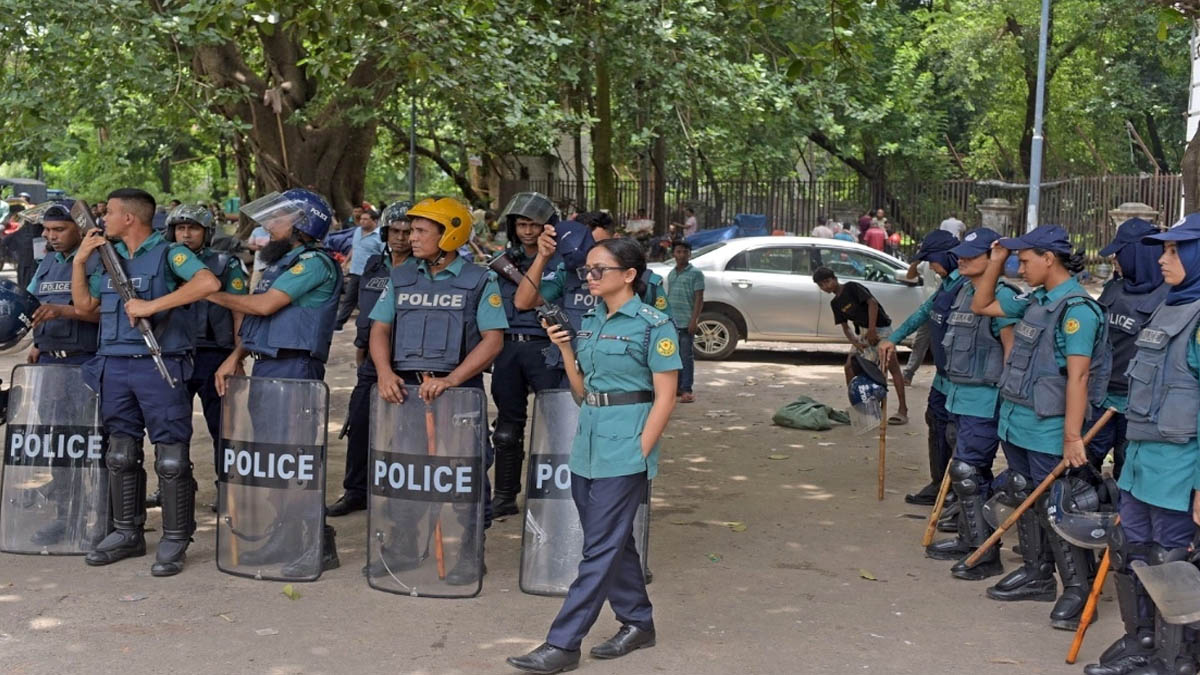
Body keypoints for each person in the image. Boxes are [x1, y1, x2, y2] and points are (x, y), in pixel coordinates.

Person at [507, 238, 679, 675]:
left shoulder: (653, 325)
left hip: (626, 446)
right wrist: (565, 348)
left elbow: (665, 397)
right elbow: (582, 393)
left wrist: (642, 451)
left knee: (599, 548)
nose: (590, 276)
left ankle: (563, 643)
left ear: (629, 275)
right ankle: (639, 622)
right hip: (587, 443)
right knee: (614, 542)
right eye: (587, 269)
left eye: (600, 269)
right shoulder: (589, 321)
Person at [72, 188, 221, 576]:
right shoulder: (108, 257)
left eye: (110, 213)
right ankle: (127, 532)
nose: (103, 218)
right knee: (120, 454)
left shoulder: (171, 253)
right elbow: (86, 306)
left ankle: (175, 536)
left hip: (160, 365)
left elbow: (208, 284)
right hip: (114, 365)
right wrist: (80, 261)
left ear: (129, 219)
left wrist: (151, 306)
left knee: (170, 457)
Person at [970, 224, 1111, 631]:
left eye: (1025, 259)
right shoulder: (1036, 301)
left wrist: (1071, 438)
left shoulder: (1077, 311)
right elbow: (982, 305)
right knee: (1025, 497)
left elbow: (1079, 378)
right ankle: (1036, 573)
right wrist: (995, 262)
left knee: (1057, 507)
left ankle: (1077, 590)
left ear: (1049, 259)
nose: (1020, 265)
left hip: (1049, 429)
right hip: (1019, 423)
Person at [367, 196, 507, 585]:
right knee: (407, 472)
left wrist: (452, 380)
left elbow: (492, 340)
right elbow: (380, 329)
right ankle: (404, 549)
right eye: (411, 230)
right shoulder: (400, 277)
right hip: (407, 393)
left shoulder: (479, 280)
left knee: (465, 472)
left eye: (420, 230)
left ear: (450, 234)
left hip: (456, 393)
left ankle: (469, 552)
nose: (411, 237)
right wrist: (383, 372)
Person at [1082, 215, 1200, 675]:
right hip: (1143, 460)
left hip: (1180, 466)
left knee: (1172, 559)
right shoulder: (1171, 306)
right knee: (1131, 547)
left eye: (1174, 251)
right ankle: (1143, 641)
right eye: (1163, 250)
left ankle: (1176, 660)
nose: (1163, 258)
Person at [921, 228, 1020, 580]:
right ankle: (969, 537)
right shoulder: (963, 291)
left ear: (992, 259)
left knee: (968, 472)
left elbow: (1010, 354)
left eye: (971, 255)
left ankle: (985, 552)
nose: (961, 259)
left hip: (986, 399)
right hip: (960, 397)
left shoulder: (1002, 298)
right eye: (960, 254)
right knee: (966, 472)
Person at [327, 203, 414, 517]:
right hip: (371, 362)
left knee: (406, 431)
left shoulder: (424, 270)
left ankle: (403, 492)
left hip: (409, 361)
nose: (402, 238)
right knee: (360, 423)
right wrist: (361, 352)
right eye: (396, 231)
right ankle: (356, 491)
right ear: (386, 232)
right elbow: (363, 312)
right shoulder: (375, 264)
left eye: (408, 232)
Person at [163, 204, 247, 512]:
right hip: (174, 356)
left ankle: (227, 489)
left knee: (223, 429)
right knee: (171, 427)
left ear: (207, 232)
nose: (185, 234)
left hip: (215, 356)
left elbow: (240, 309)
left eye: (193, 228)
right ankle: (173, 487)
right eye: (180, 228)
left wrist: (238, 355)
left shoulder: (226, 263)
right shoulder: (165, 262)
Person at [487, 193, 566, 518]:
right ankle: (506, 496)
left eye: (535, 224)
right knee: (507, 429)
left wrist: (542, 262)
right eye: (522, 224)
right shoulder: (503, 261)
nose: (528, 231)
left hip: (545, 347)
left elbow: (530, 300)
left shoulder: (562, 263)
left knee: (556, 425)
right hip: (508, 348)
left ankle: (554, 496)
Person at [878, 231, 965, 506]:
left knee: (956, 435)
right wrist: (892, 339)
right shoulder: (947, 285)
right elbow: (923, 313)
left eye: (932, 260)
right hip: (942, 378)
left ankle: (957, 493)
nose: (931, 267)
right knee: (935, 424)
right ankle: (938, 483)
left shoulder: (968, 287)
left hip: (963, 381)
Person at [1088, 218, 1168, 482]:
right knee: (1084, 465)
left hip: (1138, 404)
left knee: (1129, 469)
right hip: (1100, 396)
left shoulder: (1168, 298)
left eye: (1119, 253)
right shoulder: (1113, 288)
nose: (1114, 260)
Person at [513, 211, 668, 337]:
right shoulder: (568, 274)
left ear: (616, 239)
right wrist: (542, 256)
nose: (594, 253)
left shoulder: (644, 280)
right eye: (586, 247)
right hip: (572, 364)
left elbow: (665, 334)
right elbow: (523, 302)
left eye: (600, 245)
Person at [813, 266, 908, 425]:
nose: (826, 286)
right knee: (849, 367)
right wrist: (855, 343)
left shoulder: (852, 287)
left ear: (835, 278)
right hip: (863, 333)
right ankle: (860, 410)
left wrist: (872, 330)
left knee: (892, 367)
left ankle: (903, 409)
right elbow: (845, 327)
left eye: (828, 281)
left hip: (880, 328)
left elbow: (873, 304)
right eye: (821, 285)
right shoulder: (835, 303)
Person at [26, 203, 99, 366]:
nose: (51, 236)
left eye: (59, 229)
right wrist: (38, 344)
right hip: (47, 359)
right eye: (47, 229)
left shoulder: (99, 261)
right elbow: (30, 303)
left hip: (86, 360)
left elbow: (110, 315)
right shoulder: (46, 262)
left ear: (81, 230)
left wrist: (62, 311)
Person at [335, 207, 385, 330]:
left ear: (374, 221)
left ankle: (368, 325)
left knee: (366, 301)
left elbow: (384, 255)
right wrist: (346, 262)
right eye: (361, 219)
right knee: (349, 298)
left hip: (370, 275)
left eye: (365, 219)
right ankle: (339, 323)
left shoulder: (380, 236)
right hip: (355, 271)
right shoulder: (357, 231)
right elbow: (354, 248)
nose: (362, 221)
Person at [667, 240, 704, 403]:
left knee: (686, 356)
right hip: (672, 322)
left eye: (685, 252)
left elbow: (699, 298)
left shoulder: (695, 273)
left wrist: (694, 320)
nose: (681, 255)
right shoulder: (672, 273)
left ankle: (687, 389)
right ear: (673, 254)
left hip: (686, 321)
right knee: (672, 357)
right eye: (678, 252)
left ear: (690, 254)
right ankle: (677, 387)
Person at [247, 223, 270, 291]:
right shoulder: (257, 230)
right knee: (254, 283)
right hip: (259, 262)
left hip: (272, 261)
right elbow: (249, 245)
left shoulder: (276, 230)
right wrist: (258, 247)